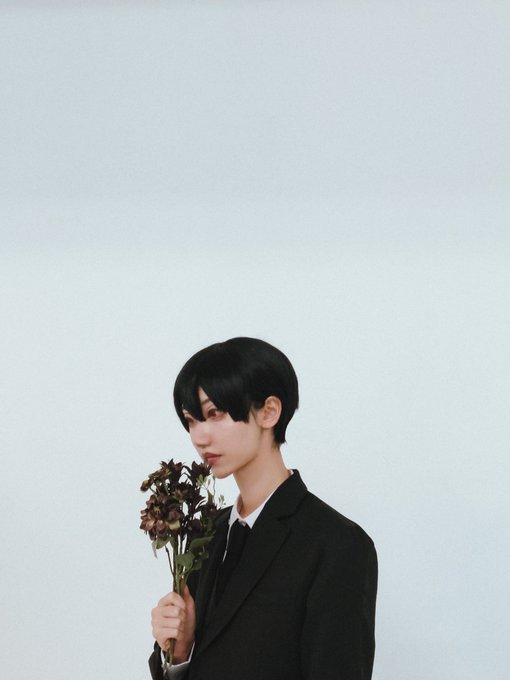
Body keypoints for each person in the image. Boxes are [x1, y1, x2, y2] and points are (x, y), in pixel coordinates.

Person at [149, 337, 377, 680]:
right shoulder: (204, 534)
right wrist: (179, 656)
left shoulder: (336, 544)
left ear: (269, 411)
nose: (199, 437)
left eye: (214, 414)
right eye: (191, 420)